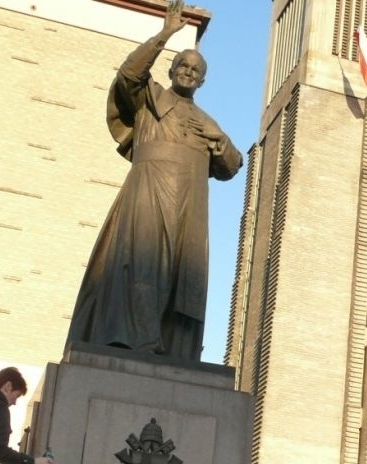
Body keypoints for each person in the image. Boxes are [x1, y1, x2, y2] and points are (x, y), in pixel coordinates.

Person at [65, 0, 242, 361]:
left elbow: (231, 166)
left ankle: (169, 346)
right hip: (149, 190)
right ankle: (137, 338)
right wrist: (165, 33)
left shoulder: (205, 120)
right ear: (173, 68)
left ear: (203, 80)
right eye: (184, 65)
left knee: (180, 274)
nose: (189, 72)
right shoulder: (151, 100)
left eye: (196, 69)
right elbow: (129, 75)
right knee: (144, 262)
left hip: (190, 205)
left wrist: (220, 143)